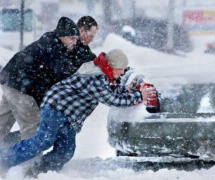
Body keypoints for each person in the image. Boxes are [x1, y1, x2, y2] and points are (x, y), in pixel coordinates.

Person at [0, 49, 157, 178]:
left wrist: (130, 90)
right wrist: (139, 96)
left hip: (68, 115)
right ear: (112, 66)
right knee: (44, 140)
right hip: (55, 107)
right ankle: (4, 159)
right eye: (121, 69)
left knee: (65, 151)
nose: (122, 73)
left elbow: (112, 89)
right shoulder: (96, 76)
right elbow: (111, 99)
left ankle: (38, 172)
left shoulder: (103, 73)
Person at [0, 16, 98, 147]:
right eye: (90, 35)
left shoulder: (60, 42)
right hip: (21, 87)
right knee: (33, 126)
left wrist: (101, 64)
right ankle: (26, 164)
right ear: (80, 31)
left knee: (3, 121)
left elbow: (84, 58)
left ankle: (7, 153)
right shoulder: (55, 47)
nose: (91, 39)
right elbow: (60, 73)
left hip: (10, 80)